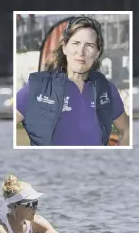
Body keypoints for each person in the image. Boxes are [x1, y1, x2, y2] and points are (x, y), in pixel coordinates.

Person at [16, 15, 130, 146]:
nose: (81, 52)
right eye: (75, 43)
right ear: (65, 48)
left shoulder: (107, 90)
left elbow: (127, 131)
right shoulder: (38, 86)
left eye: (89, 45)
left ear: (98, 52)